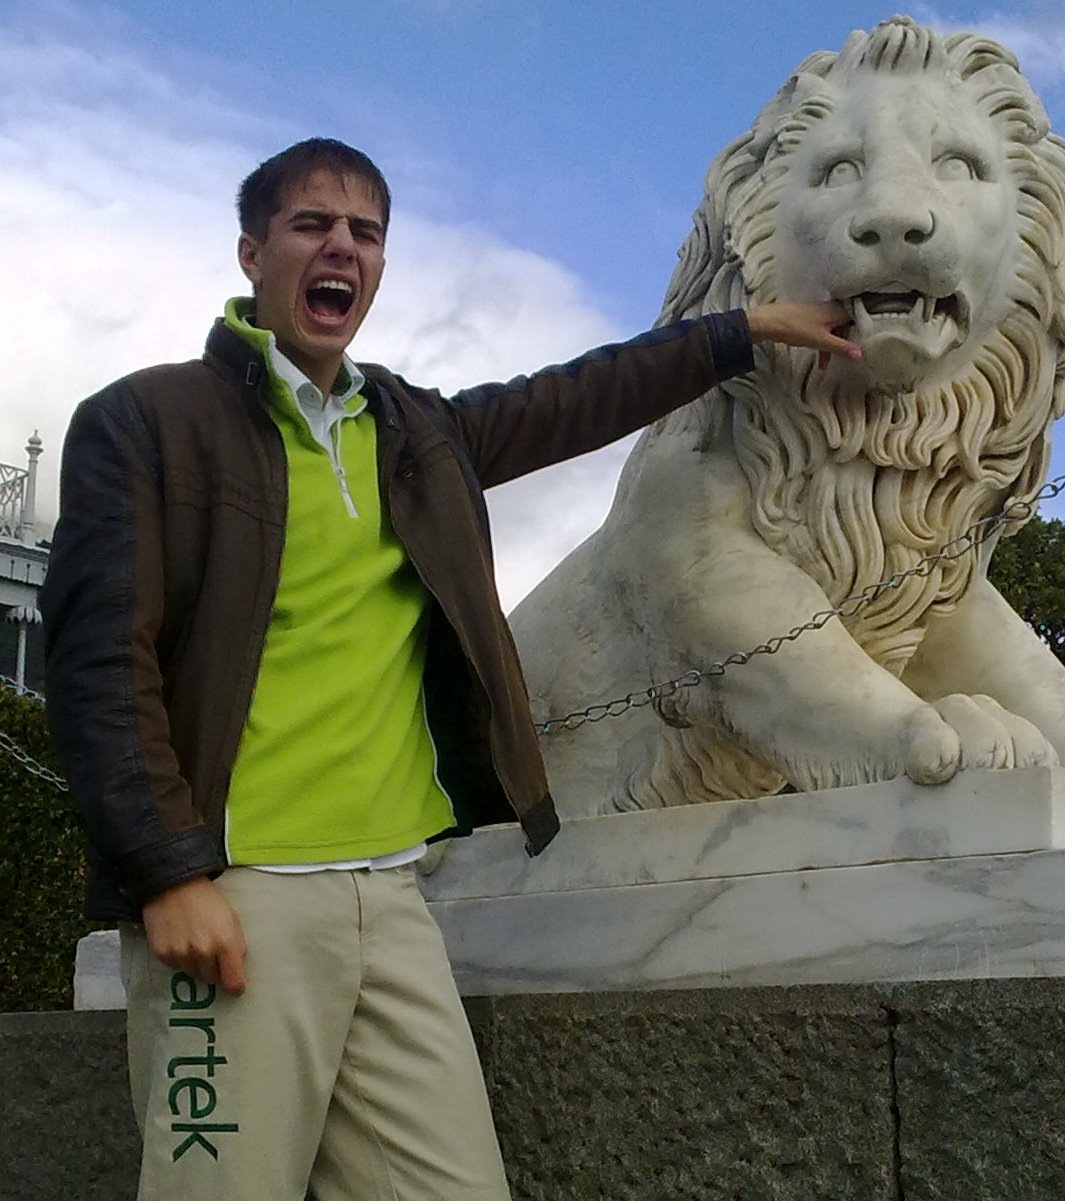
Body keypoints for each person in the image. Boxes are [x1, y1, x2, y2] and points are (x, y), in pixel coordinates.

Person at [41, 137, 859, 1201]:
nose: (342, 247)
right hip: (237, 898)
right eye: (311, 224)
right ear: (251, 252)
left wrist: (743, 330)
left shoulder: (415, 432)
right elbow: (100, 664)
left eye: (366, 232)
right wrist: (168, 874)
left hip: (393, 897)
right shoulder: (144, 423)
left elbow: (576, 396)